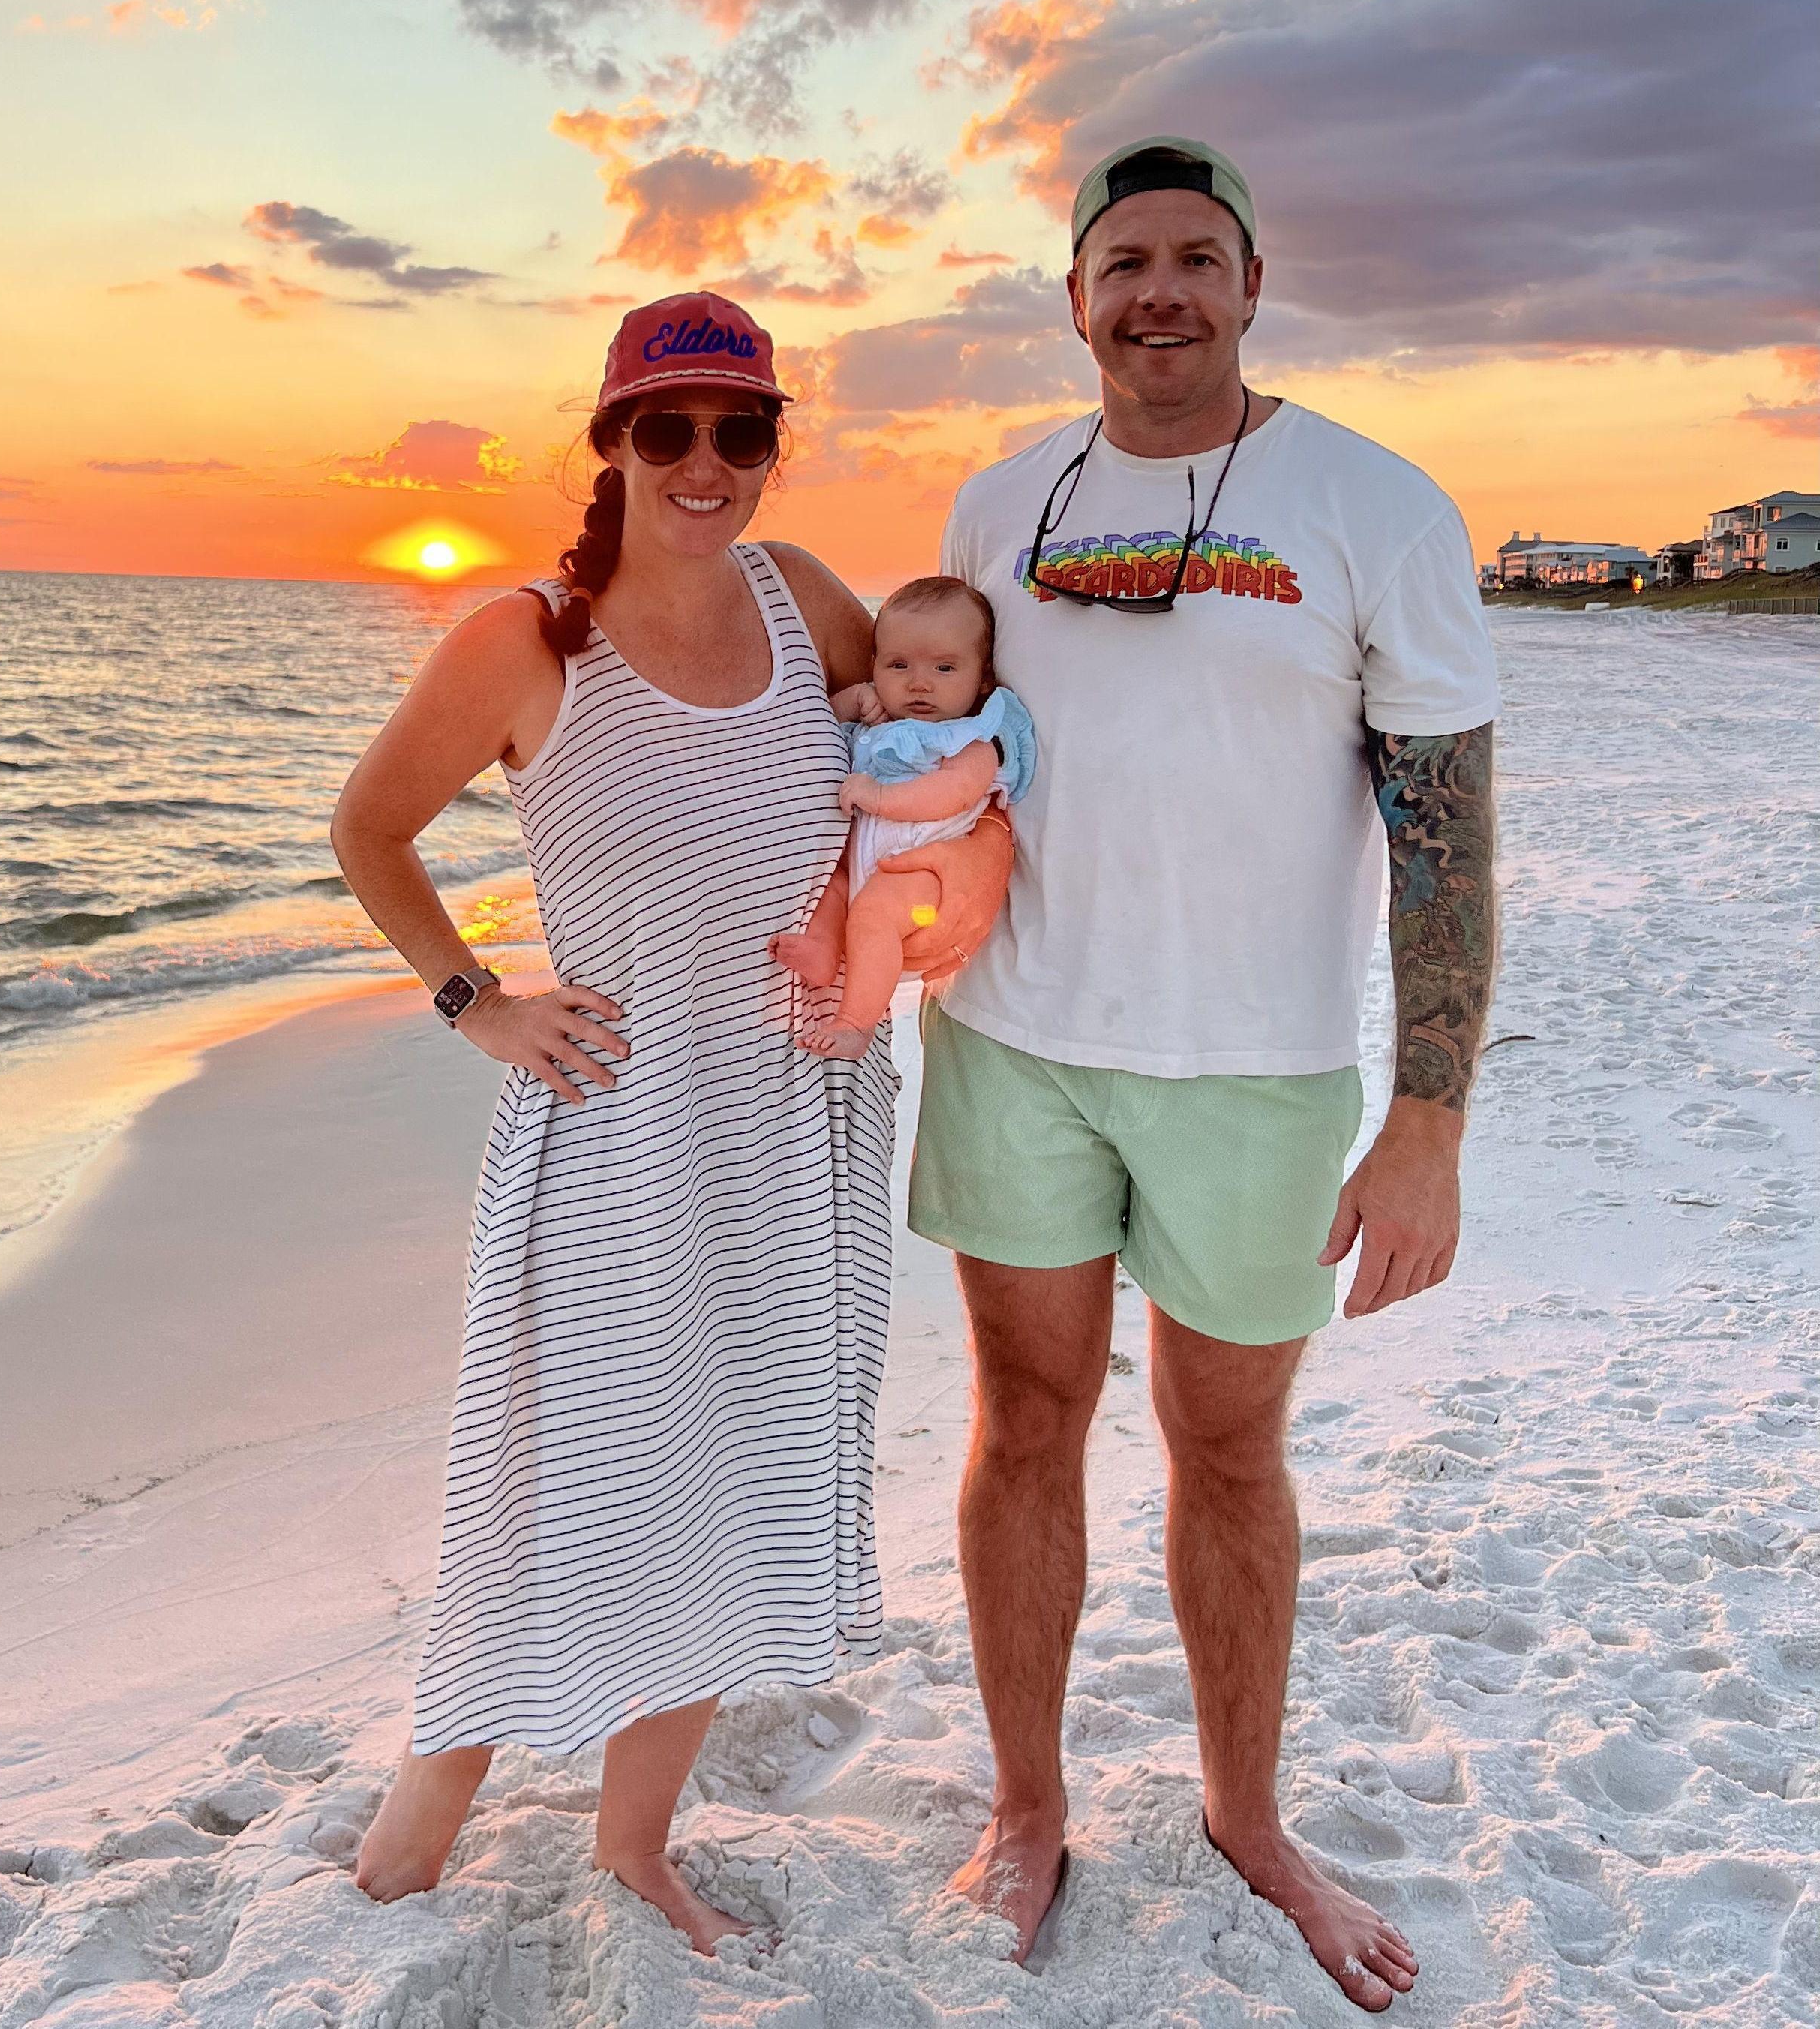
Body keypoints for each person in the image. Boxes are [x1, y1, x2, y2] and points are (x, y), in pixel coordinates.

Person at [329, 291, 1008, 1954]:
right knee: (548, 1475)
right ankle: (423, 1816)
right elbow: (370, 830)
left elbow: (949, 737)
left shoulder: (808, 602)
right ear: (615, 442)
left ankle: (635, 1845)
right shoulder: (527, 641)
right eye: (670, 428)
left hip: (797, 1123)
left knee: (735, 1476)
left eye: (742, 430)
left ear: (772, 447)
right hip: (619, 1131)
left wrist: (929, 908)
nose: (707, 462)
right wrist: (476, 1001)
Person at [908, 137, 1498, 2011]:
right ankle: (1025, 1807)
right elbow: (920, 738)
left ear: (1251, 285)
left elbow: (1445, 831)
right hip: (1012, 1037)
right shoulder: (1001, 498)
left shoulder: (1372, 505)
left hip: (1251, 1068)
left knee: (1226, 1446)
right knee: (1023, 1421)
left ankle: (1248, 1813)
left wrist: (1427, 1120)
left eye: (1193, 258)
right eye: (1123, 262)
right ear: (1074, 298)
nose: (1156, 291)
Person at [773, 577, 1035, 1059]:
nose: (919, 682)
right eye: (898, 665)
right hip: (869, 862)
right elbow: (812, 726)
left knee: (874, 914)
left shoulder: (971, 738)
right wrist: (849, 701)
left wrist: (879, 796)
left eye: (944, 667)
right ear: (874, 666)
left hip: (923, 872)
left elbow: (953, 793)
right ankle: (825, 950)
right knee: (829, 885)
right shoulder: (874, 729)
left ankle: (856, 1021)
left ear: (983, 678)